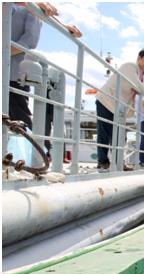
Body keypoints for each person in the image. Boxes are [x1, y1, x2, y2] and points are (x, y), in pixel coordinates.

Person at [8, 2, 81, 157]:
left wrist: (65, 27)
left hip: (13, 73)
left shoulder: (30, 7)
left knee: (19, 117)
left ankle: (41, 155)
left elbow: (30, 40)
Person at [95, 48, 144, 170]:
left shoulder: (143, 76)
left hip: (118, 107)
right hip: (106, 100)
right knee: (104, 133)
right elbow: (139, 86)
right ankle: (102, 162)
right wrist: (143, 91)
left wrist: (141, 90)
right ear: (139, 58)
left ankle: (118, 163)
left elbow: (140, 87)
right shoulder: (130, 66)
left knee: (120, 136)